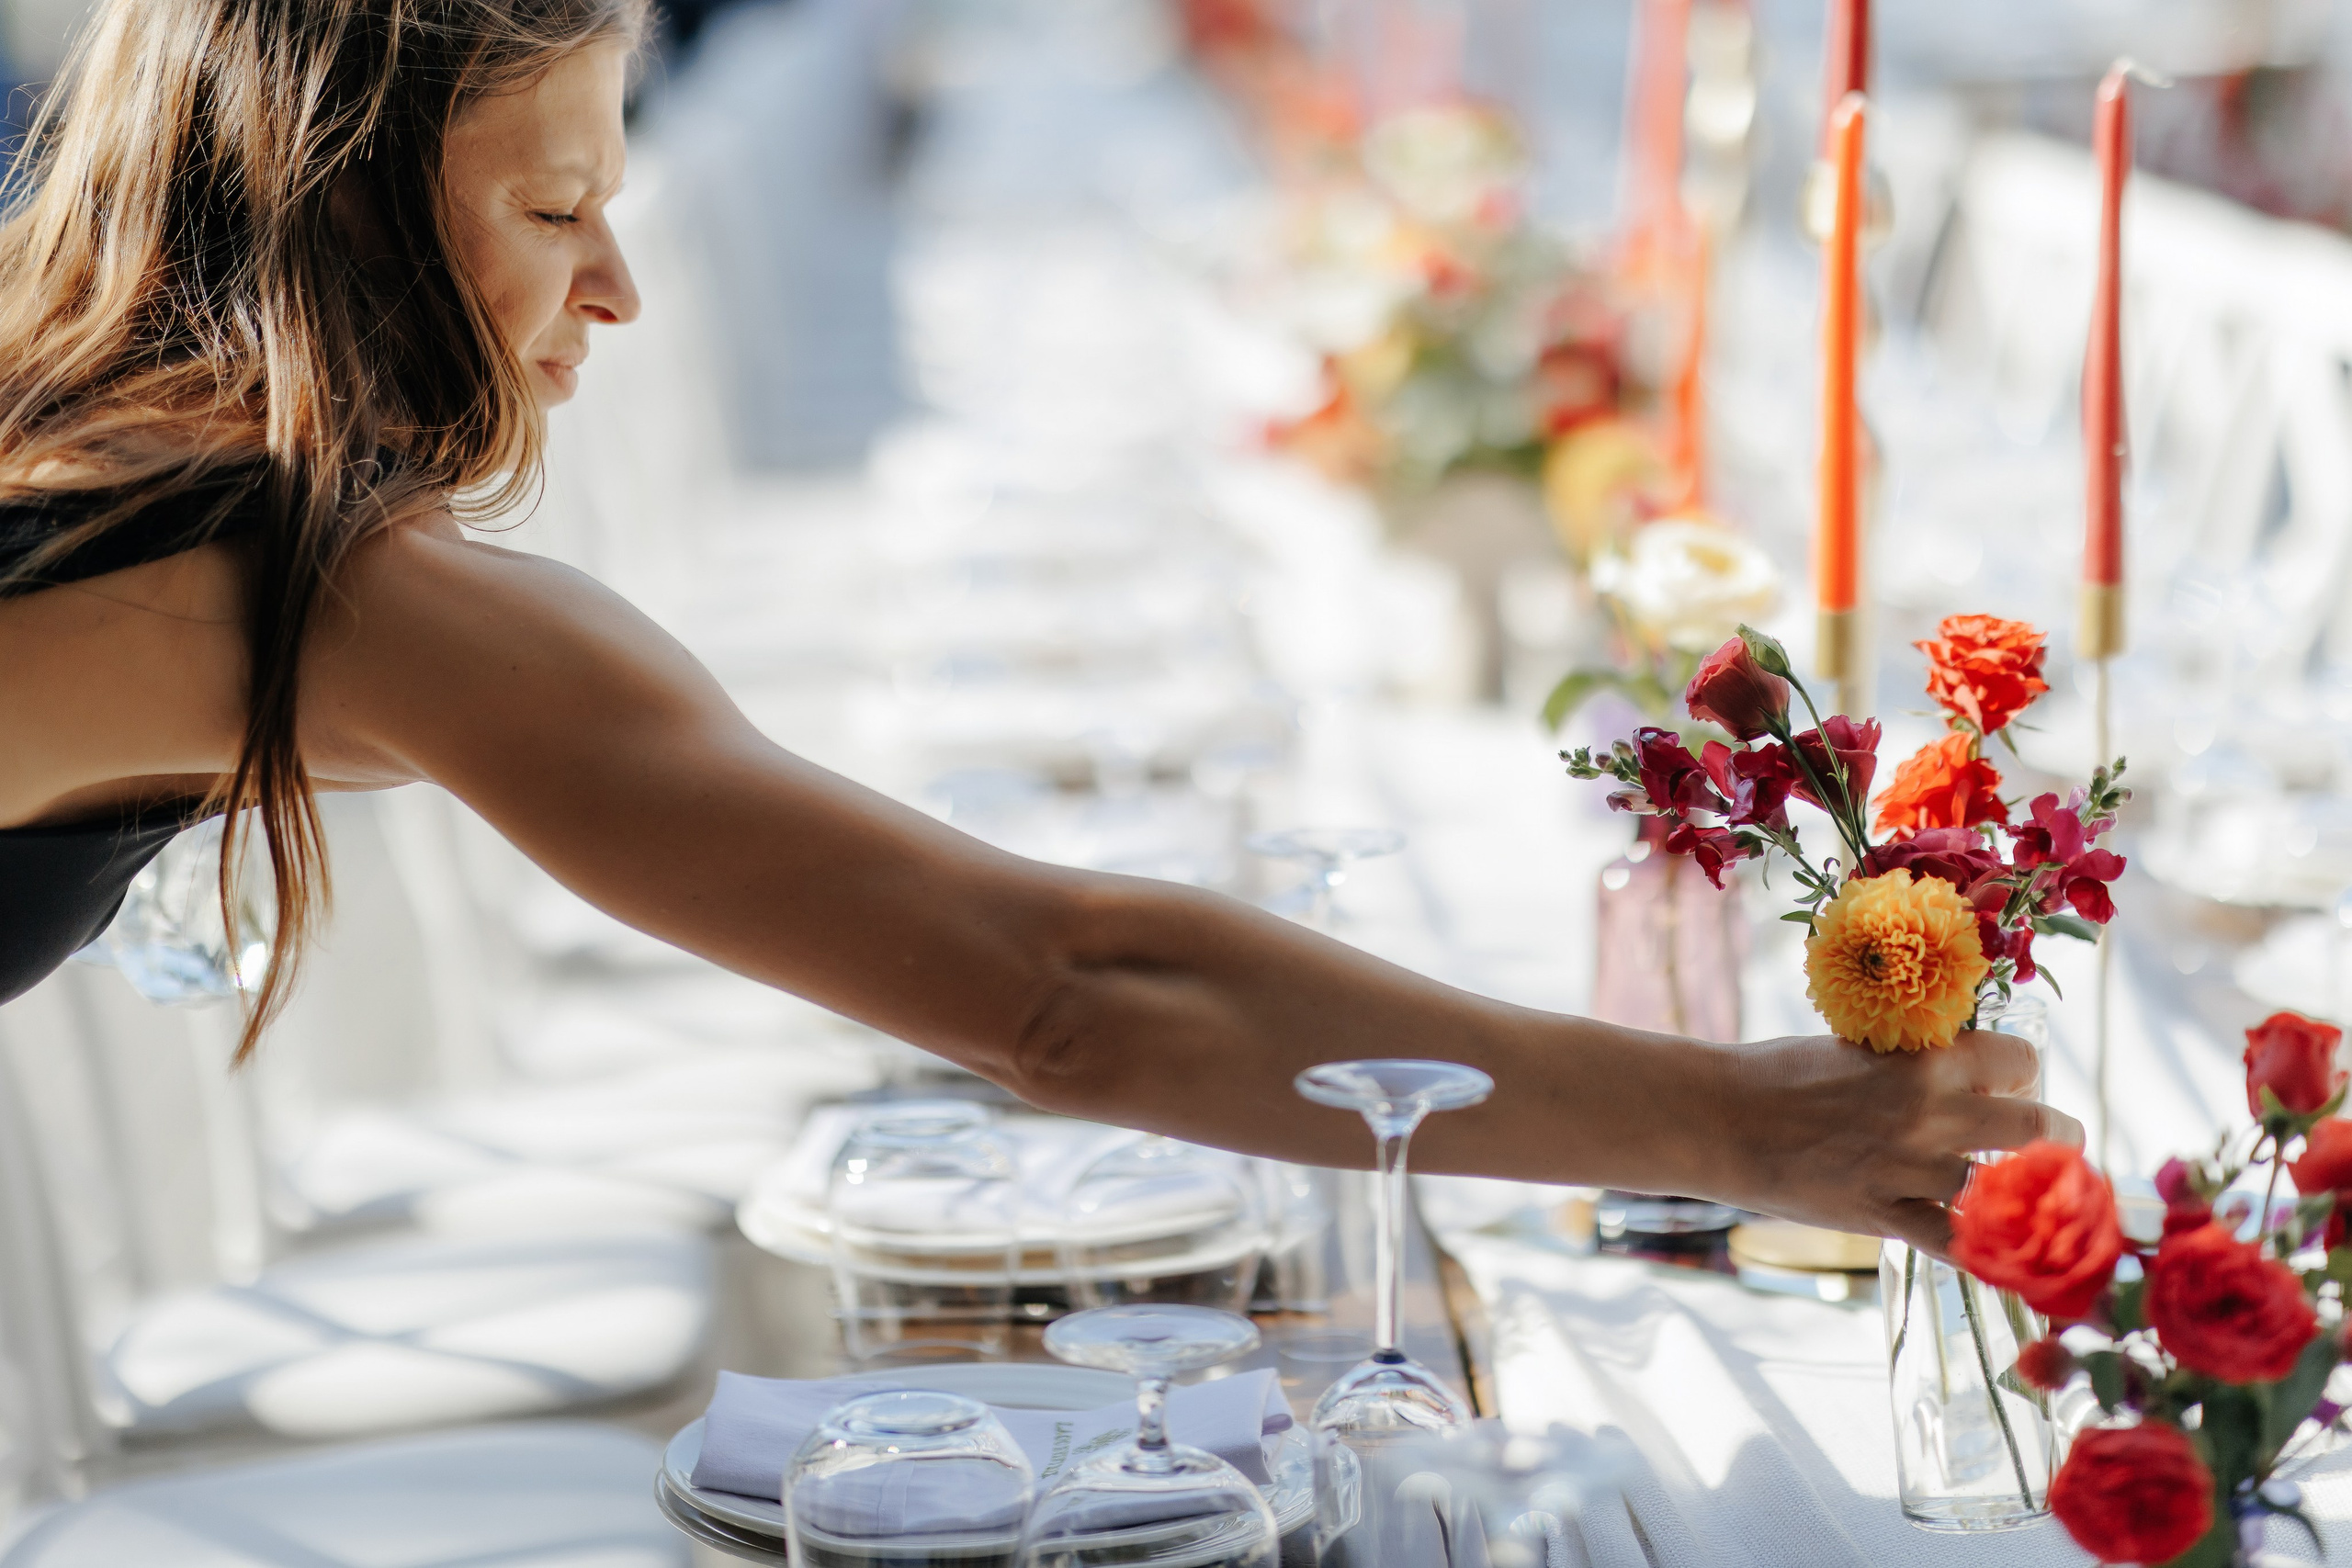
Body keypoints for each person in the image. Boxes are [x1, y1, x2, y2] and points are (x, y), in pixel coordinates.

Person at [0, 0, 2075, 1257]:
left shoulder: (84, 427)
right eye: (552, 212)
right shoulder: (347, 600)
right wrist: (1747, 1124)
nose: (613, 288)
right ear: (348, 202)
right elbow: (1070, 990)